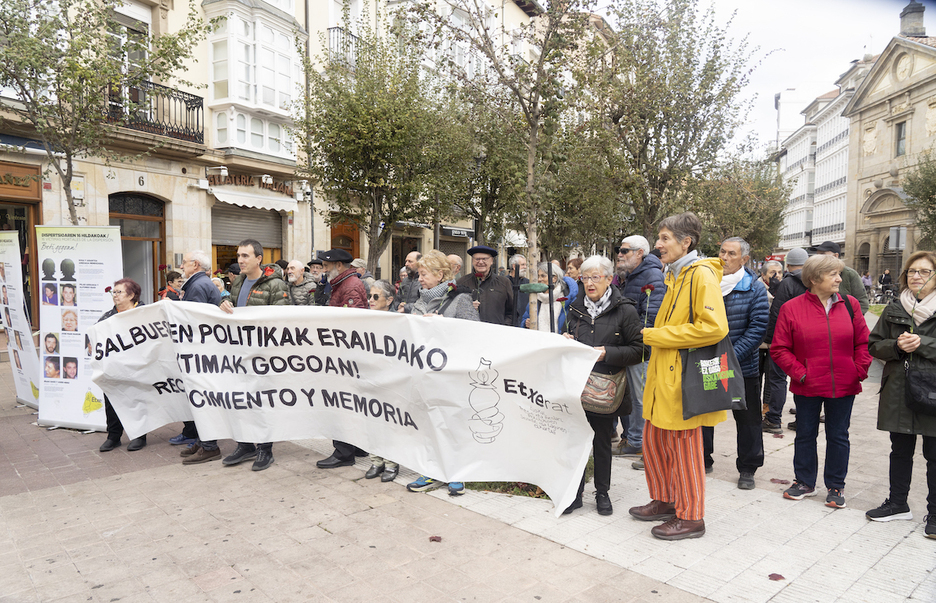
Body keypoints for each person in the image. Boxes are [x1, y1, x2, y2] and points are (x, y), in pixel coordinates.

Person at [628, 212, 727, 540]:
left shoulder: (701, 276)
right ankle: (665, 500)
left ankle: (691, 517)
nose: (658, 244)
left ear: (686, 242)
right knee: (655, 442)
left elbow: (714, 328)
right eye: (659, 237)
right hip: (663, 377)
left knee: (684, 451)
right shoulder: (675, 274)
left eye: (665, 238)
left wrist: (656, 336)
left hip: (682, 380)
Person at [771, 254, 871, 508]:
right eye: (833, 274)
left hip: (844, 384)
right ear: (814, 279)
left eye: (839, 274)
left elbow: (863, 342)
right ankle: (804, 482)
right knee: (805, 434)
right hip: (808, 385)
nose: (839, 279)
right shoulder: (791, 308)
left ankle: (836, 485)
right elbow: (779, 348)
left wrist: (858, 370)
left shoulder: (850, 305)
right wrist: (802, 373)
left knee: (838, 436)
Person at [563, 255, 643, 516]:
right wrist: (565, 339)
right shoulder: (575, 308)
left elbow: (640, 350)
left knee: (602, 442)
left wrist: (607, 353)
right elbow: (567, 338)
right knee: (575, 441)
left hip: (606, 390)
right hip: (577, 387)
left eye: (595, 277)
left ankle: (602, 493)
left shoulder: (625, 310)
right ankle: (574, 493)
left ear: (609, 279)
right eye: (585, 278)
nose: (589, 283)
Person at [867, 251, 936, 539]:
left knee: (934, 454)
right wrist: (896, 346)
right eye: (911, 271)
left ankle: (935, 514)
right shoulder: (896, 307)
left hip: (932, 391)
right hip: (899, 389)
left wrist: (922, 343)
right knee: (900, 450)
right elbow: (874, 345)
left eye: (924, 271)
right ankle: (897, 504)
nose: (916, 276)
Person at [403, 250, 480, 495]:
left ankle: (457, 474)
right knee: (428, 423)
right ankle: (431, 471)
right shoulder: (419, 301)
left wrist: (442, 326)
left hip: (450, 374)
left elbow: (474, 332)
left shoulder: (460, 298)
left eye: (424, 274)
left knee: (452, 424)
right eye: (419, 274)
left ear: (440, 274)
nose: (419, 279)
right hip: (425, 373)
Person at [701, 237, 769, 489]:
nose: (725, 258)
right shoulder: (707, 283)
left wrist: (729, 359)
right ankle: (702, 458)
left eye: (732, 254)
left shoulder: (754, 288)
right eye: (722, 252)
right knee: (704, 413)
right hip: (708, 362)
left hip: (742, 366)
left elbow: (757, 329)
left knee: (748, 419)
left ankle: (748, 468)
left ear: (744, 259)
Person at [219, 240, 290, 471]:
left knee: (262, 402)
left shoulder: (275, 284)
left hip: (263, 354)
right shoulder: (239, 281)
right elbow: (232, 305)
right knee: (241, 399)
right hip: (240, 352)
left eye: (245, 256)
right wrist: (224, 302)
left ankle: (265, 449)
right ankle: (245, 444)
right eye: (239, 255)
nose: (240, 260)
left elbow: (282, 320)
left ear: (259, 258)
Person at [315, 248, 370, 469]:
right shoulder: (343, 283)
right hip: (346, 355)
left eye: (326, 265)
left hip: (344, 356)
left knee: (341, 403)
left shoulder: (349, 286)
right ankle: (357, 446)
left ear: (339, 265)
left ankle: (343, 452)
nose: (323, 269)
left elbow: (349, 325)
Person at [612, 235, 666, 460]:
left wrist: (631, 338)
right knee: (631, 396)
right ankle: (634, 440)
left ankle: (644, 445)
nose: (619, 254)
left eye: (624, 250)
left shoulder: (652, 276)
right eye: (619, 250)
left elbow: (651, 317)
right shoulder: (629, 275)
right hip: (628, 346)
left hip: (641, 348)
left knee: (641, 398)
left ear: (640, 253)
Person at [172, 250, 224, 462]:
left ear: (195, 264)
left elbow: (194, 323)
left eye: (184, 263)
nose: (181, 266)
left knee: (204, 400)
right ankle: (203, 442)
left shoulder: (197, 286)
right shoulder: (201, 284)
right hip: (205, 351)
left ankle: (209, 446)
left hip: (201, 353)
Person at [762, 247, 809, 434]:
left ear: (788, 264)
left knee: (777, 379)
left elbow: (777, 313)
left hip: (785, 340)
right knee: (802, 378)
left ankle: (773, 419)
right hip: (806, 339)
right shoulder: (814, 282)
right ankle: (803, 419)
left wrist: (770, 340)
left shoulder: (788, 283)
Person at [99, 279, 148, 452]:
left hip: (137, 366)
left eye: (119, 292)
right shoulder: (108, 317)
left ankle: (139, 436)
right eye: (114, 292)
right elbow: (96, 337)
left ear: (132, 295)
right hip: (114, 367)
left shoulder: (145, 314)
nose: (115, 295)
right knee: (112, 400)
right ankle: (113, 436)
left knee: (136, 400)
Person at [364, 279, 402, 483]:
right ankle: (376, 460)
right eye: (369, 296)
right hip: (370, 376)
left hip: (389, 379)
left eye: (375, 296)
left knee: (389, 422)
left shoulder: (398, 322)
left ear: (389, 300)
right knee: (371, 421)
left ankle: (391, 463)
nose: (371, 300)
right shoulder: (364, 320)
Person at [456, 245, 514, 326]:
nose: (480, 262)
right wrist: (467, 308)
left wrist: (504, 327)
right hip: (469, 330)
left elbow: (512, 312)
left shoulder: (504, 283)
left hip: (496, 331)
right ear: (472, 261)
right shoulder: (462, 282)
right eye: (477, 259)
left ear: (491, 261)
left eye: (484, 259)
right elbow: (454, 310)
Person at [814, 241, 869, 313]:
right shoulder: (814, 274)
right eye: (817, 255)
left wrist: (849, 317)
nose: (818, 258)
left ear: (835, 256)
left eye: (822, 254)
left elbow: (863, 302)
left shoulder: (850, 274)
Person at [521, 263, 567, 333]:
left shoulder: (565, 297)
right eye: (538, 276)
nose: (539, 279)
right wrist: (525, 323)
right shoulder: (535, 298)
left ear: (554, 278)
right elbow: (524, 319)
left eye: (543, 276)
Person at [508, 254, 529, 326]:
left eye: (526, 265)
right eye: (522, 265)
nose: (525, 267)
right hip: (508, 324)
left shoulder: (528, 283)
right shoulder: (504, 282)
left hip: (524, 324)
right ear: (514, 266)